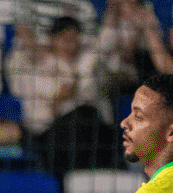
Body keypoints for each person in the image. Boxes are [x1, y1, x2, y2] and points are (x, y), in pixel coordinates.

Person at [7, 16, 120, 177]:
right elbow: (53, 107)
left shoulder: (87, 63)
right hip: (54, 137)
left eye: (75, 40)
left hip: (93, 133)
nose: (71, 45)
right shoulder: (39, 68)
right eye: (65, 40)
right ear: (52, 40)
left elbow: (105, 47)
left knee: (91, 119)